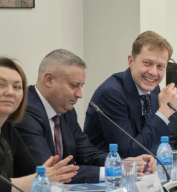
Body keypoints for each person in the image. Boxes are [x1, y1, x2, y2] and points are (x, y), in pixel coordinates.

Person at [16, 50, 157, 184]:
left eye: (81, 86)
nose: (80, 94)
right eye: (74, 86)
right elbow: (51, 172)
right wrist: (113, 171)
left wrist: (123, 163)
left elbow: (88, 154)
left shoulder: (66, 111)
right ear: (49, 80)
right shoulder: (25, 112)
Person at [84, 31, 177, 157]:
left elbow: (154, 140)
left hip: (141, 168)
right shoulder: (111, 93)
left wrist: (154, 159)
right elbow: (129, 153)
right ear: (131, 61)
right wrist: (163, 113)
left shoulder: (154, 90)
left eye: (160, 66)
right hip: (108, 168)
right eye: (147, 63)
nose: (153, 72)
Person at [0, 57, 78, 192]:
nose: (10, 92)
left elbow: (29, 173)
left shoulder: (8, 130)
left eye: (17, 87)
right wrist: (37, 179)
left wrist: (47, 175)